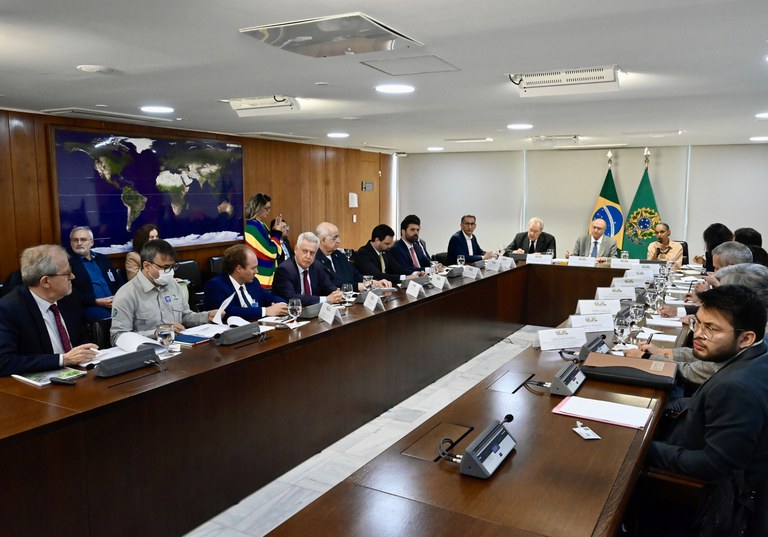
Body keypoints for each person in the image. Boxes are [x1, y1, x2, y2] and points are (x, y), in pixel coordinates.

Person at [645, 285, 768, 494]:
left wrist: (642, 447)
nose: (698, 335)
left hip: (698, 495)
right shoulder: (757, 352)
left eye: (711, 329)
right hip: (689, 437)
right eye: (698, 323)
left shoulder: (736, 388)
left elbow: (713, 466)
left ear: (747, 338)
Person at [627, 263, 768, 386]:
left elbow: (692, 372)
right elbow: (705, 354)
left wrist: (647, 358)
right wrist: (661, 352)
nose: (698, 333)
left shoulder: (737, 376)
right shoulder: (754, 336)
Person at [0, 244, 97, 376]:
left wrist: (87, 351)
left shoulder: (69, 297)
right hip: (37, 386)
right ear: (45, 281)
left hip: (80, 373)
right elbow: (4, 362)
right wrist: (63, 359)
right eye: (67, 273)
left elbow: (81, 336)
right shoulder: (8, 309)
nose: (73, 277)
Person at [110, 239, 216, 345]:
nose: (170, 272)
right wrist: (155, 333)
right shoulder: (127, 294)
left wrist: (207, 317)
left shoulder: (173, 285)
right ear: (147, 266)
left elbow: (185, 316)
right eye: (165, 267)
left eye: (173, 266)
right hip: (147, 352)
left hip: (177, 347)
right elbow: (117, 337)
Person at [203, 244, 288, 321]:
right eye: (253, 268)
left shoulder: (253, 281)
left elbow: (269, 297)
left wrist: (282, 305)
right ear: (239, 269)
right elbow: (228, 312)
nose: (257, 271)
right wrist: (265, 311)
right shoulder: (216, 286)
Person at [68, 226, 124, 321]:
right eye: (75, 240)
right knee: (110, 320)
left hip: (116, 302)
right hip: (90, 305)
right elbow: (69, 293)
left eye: (83, 240)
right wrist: (95, 301)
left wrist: (119, 297)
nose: (79, 243)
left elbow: (118, 281)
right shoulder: (68, 263)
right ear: (71, 243)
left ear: (91, 242)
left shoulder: (102, 259)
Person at [273, 232, 344, 307]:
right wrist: (326, 299)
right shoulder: (285, 270)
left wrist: (336, 293)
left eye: (312, 253)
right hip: (290, 313)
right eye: (305, 251)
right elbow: (292, 298)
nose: (308, 256)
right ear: (296, 249)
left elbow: (327, 286)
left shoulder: (317, 266)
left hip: (312, 312)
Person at [315, 222, 390, 291]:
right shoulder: (315, 259)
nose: (338, 241)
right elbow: (331, 285)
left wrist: (375, 283)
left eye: (338, 237)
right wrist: (357, 286)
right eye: (335, 238)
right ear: (323, 240)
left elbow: (356, 275)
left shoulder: (338, 255)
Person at [354, 224, 423, 283]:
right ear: (377, 240)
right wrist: (404, 278)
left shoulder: (385, 251)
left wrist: (415, 273)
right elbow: (377, 276)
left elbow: (398, 268)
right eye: (387, 243)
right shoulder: (363, 253)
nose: (389, 246)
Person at [244, 193, 285, 289]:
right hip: (261, 278)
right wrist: (277, 232)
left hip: (267, 275)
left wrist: (275, 231)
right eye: (266, 208)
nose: (269, 211)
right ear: (258, 208)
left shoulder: (260, 224)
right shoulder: (253, 227)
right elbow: (273, 252)